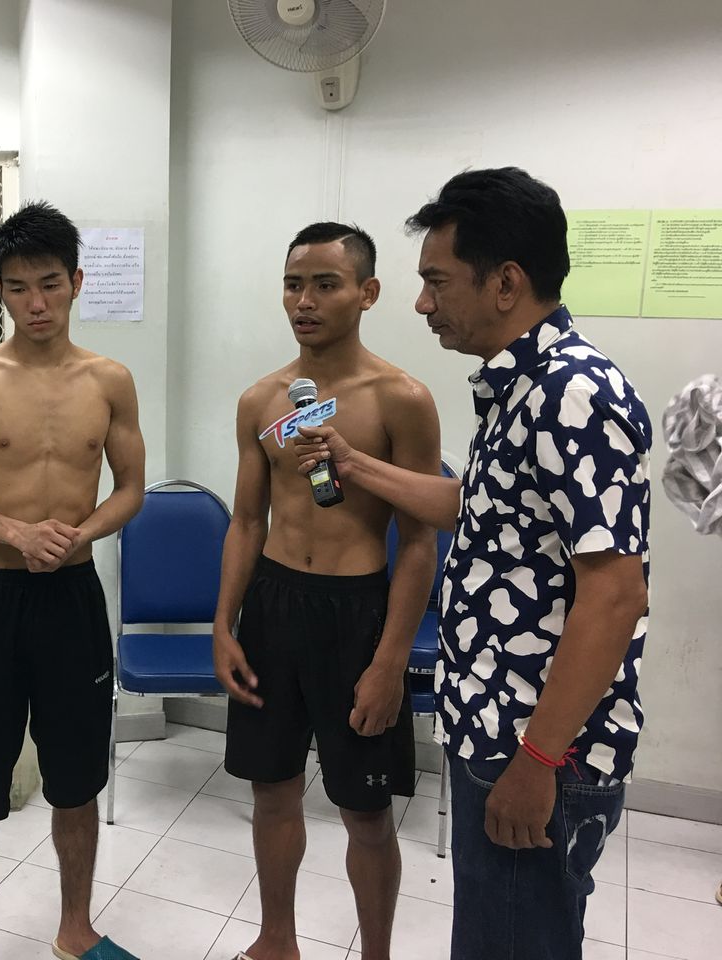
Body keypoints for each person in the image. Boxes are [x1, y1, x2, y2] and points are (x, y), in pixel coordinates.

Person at [292, 168, 651, 960]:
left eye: (437, 281)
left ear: (506, 283)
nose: (423, 304)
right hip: (496, 725)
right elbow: (481, 509)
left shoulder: (571, 395)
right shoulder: (520, 389)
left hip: (537, 742)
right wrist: (354, 462)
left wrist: (538, 760)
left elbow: (616, 595)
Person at [212, 222, 442, 960]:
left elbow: (418, 542)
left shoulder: (401, 398)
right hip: (273, 606)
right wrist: (224, 625)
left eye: (324, 284)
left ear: (367, 293)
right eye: (293, 284)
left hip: (357, 613)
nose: (304, 301)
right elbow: (247, 521)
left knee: (365, 811)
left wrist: (390, 662)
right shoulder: (261, 400)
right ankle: (276, 939)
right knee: (271, 789)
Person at [0, 201, 145, 960]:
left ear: (77, 281)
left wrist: (80, 534)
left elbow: (130, 489)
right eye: (18, 288)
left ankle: (74, 928)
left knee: (77, 781)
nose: (37, 303)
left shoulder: (110, 380)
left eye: (50, 283)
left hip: (73, 601)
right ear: (1, 290)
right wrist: (16, 532)